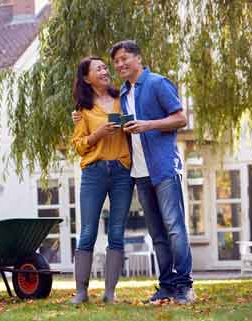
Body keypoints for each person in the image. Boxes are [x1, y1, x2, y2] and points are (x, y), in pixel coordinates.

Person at [72, 41, 195, 304]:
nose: (117, 66)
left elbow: (181, 119)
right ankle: (166, 286)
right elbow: (82, 141)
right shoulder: (122, 94)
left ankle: (183, 285)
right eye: (114, 62)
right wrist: (91, 128)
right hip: (136, 172)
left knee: (174, 228)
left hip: (156, 169)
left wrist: (148, 125)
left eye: (122, 59)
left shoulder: (153, 85)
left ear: (138, 58)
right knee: (157, 233)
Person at [70, 56, 134, 304]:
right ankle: (81, 292)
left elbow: (136, 123)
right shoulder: (83, 110)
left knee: (117, 232)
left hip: (121, 170)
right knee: (87, 232)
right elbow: (79, 146)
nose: (106, 71)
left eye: (105, 67)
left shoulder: (123, 99)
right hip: (94, 171)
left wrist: (128, 126)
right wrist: (97, 134)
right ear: (87, 78)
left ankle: (110, 293)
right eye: (99, 69)